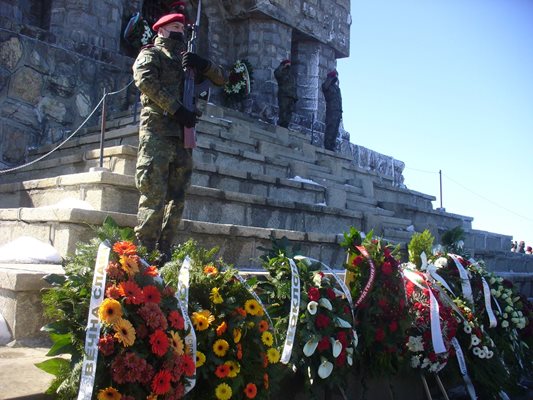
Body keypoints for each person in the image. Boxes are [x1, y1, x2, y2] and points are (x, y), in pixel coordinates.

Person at [132, 12, 224, 261]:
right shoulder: (152, 54)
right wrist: (176, 109)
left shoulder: (188, 62)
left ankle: (165, 251)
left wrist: (204, 65)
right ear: (160, 30)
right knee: (153, 196)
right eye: (174, 27)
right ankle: (144, 253)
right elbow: (145, 80)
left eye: (182, 29)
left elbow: (221, 79)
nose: (179, 32)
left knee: (177, 199)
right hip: (158, 134)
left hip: (184, 137)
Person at [321, 69, 343, 151]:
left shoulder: (337, 89)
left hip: (338, 111)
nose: (336, 78)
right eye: (334, 76)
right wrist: (330, 77)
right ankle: (327, 145)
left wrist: (340, 112)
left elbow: (339, 101)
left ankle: (332, 146)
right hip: (331, 110)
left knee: (335, 129)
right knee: (330, 127)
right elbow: (325, 87)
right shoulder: (326, 86)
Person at [274, 59, 298, 128]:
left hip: (291, 96)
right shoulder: (281, 72)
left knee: (289, 112)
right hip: (284, 94)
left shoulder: (291, 76)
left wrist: (295, 97)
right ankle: (281, 125)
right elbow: (276, 74)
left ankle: (286, 125)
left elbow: (294, 86)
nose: (289, 66)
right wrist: (282, 66)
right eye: (287, 64)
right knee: (283, 110)